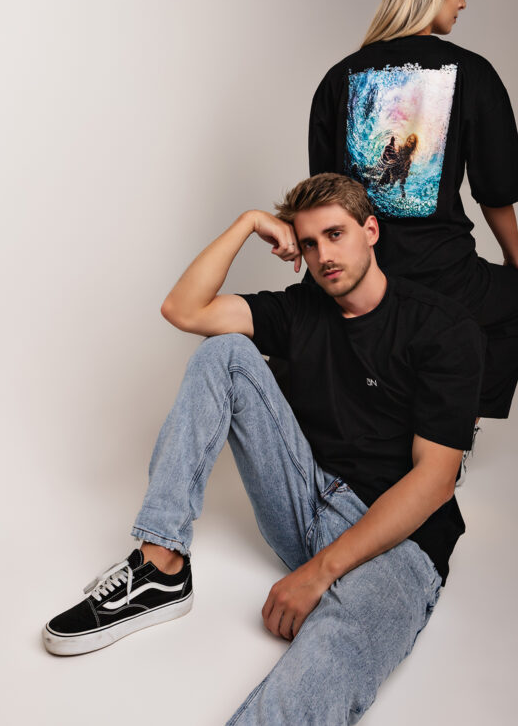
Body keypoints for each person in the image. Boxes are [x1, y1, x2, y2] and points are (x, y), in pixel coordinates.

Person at [43, 173, 484, 725]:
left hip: (399, 544)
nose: (324, 255)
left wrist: (319, 572)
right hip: (309, 503)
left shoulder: (442, 328)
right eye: (309, 243)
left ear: (370, 231)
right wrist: (248, 222)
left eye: (336, 234)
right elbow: (184, 309)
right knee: (223, 352)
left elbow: (436, 479)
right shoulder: (301, 309)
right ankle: (161, 565)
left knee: (330, 656)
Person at [308, 0, 518, 423]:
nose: (463, 1)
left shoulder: (337, 79)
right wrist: (514, 258)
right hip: (447, 280)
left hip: (363, 278)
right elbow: (495, 189)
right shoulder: (474, 74)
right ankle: (457, 422)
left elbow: (324, 199)